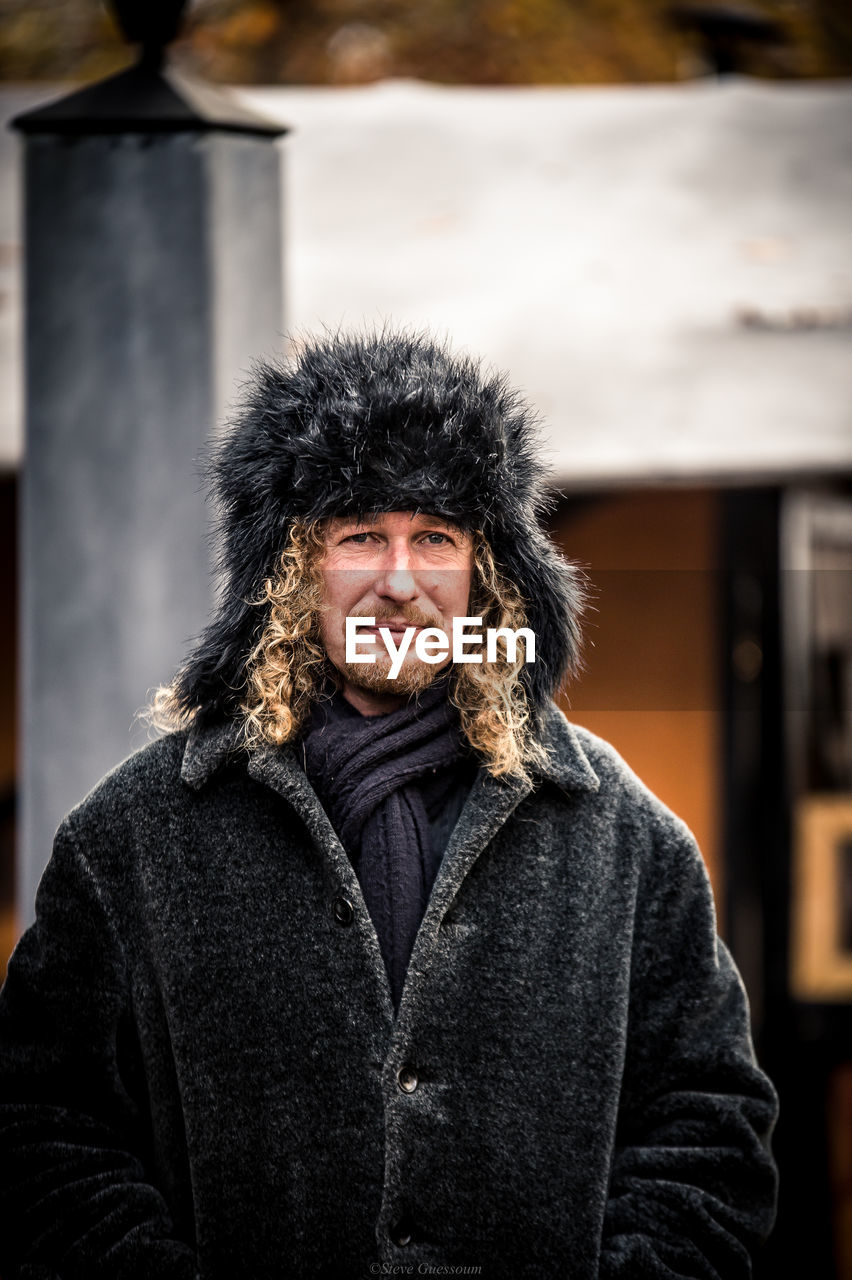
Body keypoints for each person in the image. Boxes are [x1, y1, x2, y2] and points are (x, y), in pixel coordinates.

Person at [0, 329, 778, 1279]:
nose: (400, 581)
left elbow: (712, 1128)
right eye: (361, 534)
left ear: (487, 575)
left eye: (436, 539)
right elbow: (43, 1126)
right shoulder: (138, 838)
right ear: (292, 566)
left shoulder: (622, 837)